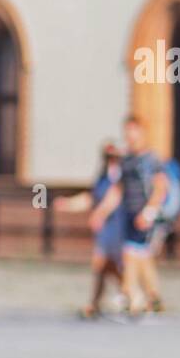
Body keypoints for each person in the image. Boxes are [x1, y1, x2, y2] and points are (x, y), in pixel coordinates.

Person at [89, 115, 169, 316]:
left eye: (133, 131)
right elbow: (117, 191)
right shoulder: (126, 161)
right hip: (129, 216)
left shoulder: (151, 159)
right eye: (127, 132)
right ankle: (153, 296)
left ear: (142, 132)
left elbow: (161, 186)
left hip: (145, 217)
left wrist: (149, 212)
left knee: (130, 254)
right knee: (141, 256)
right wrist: (101, 212)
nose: (130, 136)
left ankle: (132, 297)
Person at [53, 141, 124, 318]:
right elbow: (92, 198)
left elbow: (115, 196)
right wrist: (68, 204)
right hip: (106, 229)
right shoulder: (102, 176)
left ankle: (125, 296)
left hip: (118, 226)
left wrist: (100, 214)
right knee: (104, 265)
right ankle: (101, 301)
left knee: (105, 264)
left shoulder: (120, 175)